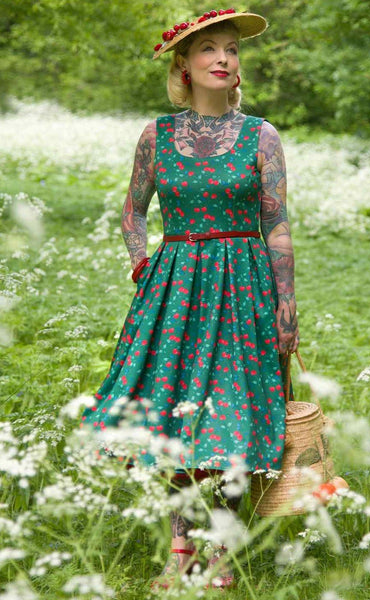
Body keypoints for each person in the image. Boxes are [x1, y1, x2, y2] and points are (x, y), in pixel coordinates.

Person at [81, 7, 299, 591]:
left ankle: (221, 555)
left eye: (231, 49)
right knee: (177, 417)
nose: (224, 59)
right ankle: (181, 554)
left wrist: (286, 304)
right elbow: (134, 209)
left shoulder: (262, 136)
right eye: (210, 50)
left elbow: (276, 224)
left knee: (229, 418)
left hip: (244, 287)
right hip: (175, 288)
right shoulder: (158, 134)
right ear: (184, 65)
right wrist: (139, 259)